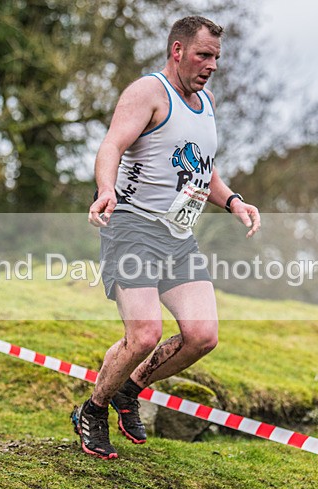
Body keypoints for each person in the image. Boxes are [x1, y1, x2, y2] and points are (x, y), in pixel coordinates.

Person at [72, 15, 261, 459]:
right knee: (143, 335)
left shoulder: (206, 102)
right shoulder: (148, 93)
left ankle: (128, 390)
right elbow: (111, 146)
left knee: (202, 335)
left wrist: (234, 201)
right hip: (133, 226)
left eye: (216, 57)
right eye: (203, 55)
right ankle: (93, 410)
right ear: (177, 51)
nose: (211, 65)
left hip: (178, 236)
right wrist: (105, 190)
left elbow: (203, 168)